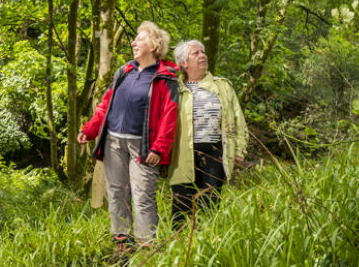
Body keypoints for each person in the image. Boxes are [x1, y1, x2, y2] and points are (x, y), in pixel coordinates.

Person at [78, 21, 179, 255]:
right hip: (113, 141)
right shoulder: (124, 71)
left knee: (143, 194)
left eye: (140, 39)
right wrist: (90, 129)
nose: (134, 43)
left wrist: (159, 148)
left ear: (154, 45)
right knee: (117, 192)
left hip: (143, 146)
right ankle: (122, 242)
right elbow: (105, 106)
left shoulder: (166, 77)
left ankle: (146, 246)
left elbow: (169, 115)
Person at [167, 40, 247, 230]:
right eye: (196, 53)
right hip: (182, 155)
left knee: (210, 205)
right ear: (184, 63)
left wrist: (240, 151)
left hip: (214, 153)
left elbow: (238, 120)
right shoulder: (173, 89)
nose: (203, 56)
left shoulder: (223, 86)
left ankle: (207, 247)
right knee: (181, 205)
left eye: (203, 52)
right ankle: (178, 250)